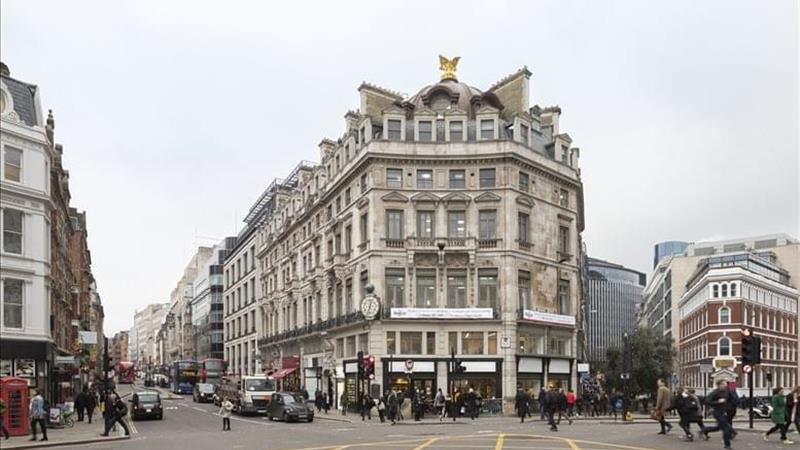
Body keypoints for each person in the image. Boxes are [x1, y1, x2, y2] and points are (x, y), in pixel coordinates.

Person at [702, 379, 734, 450]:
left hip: (724, 412)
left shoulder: (727, 391)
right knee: (727, 428)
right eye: (724, 384)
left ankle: (705, 430)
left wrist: (730, 407)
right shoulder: (715, 392)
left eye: (726, 384)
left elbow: (730, 400)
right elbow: (707, 401)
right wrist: (717, 402)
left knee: (718, 428)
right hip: (717, 412)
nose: (726, 385)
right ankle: (727, 445)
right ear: (719, 385)